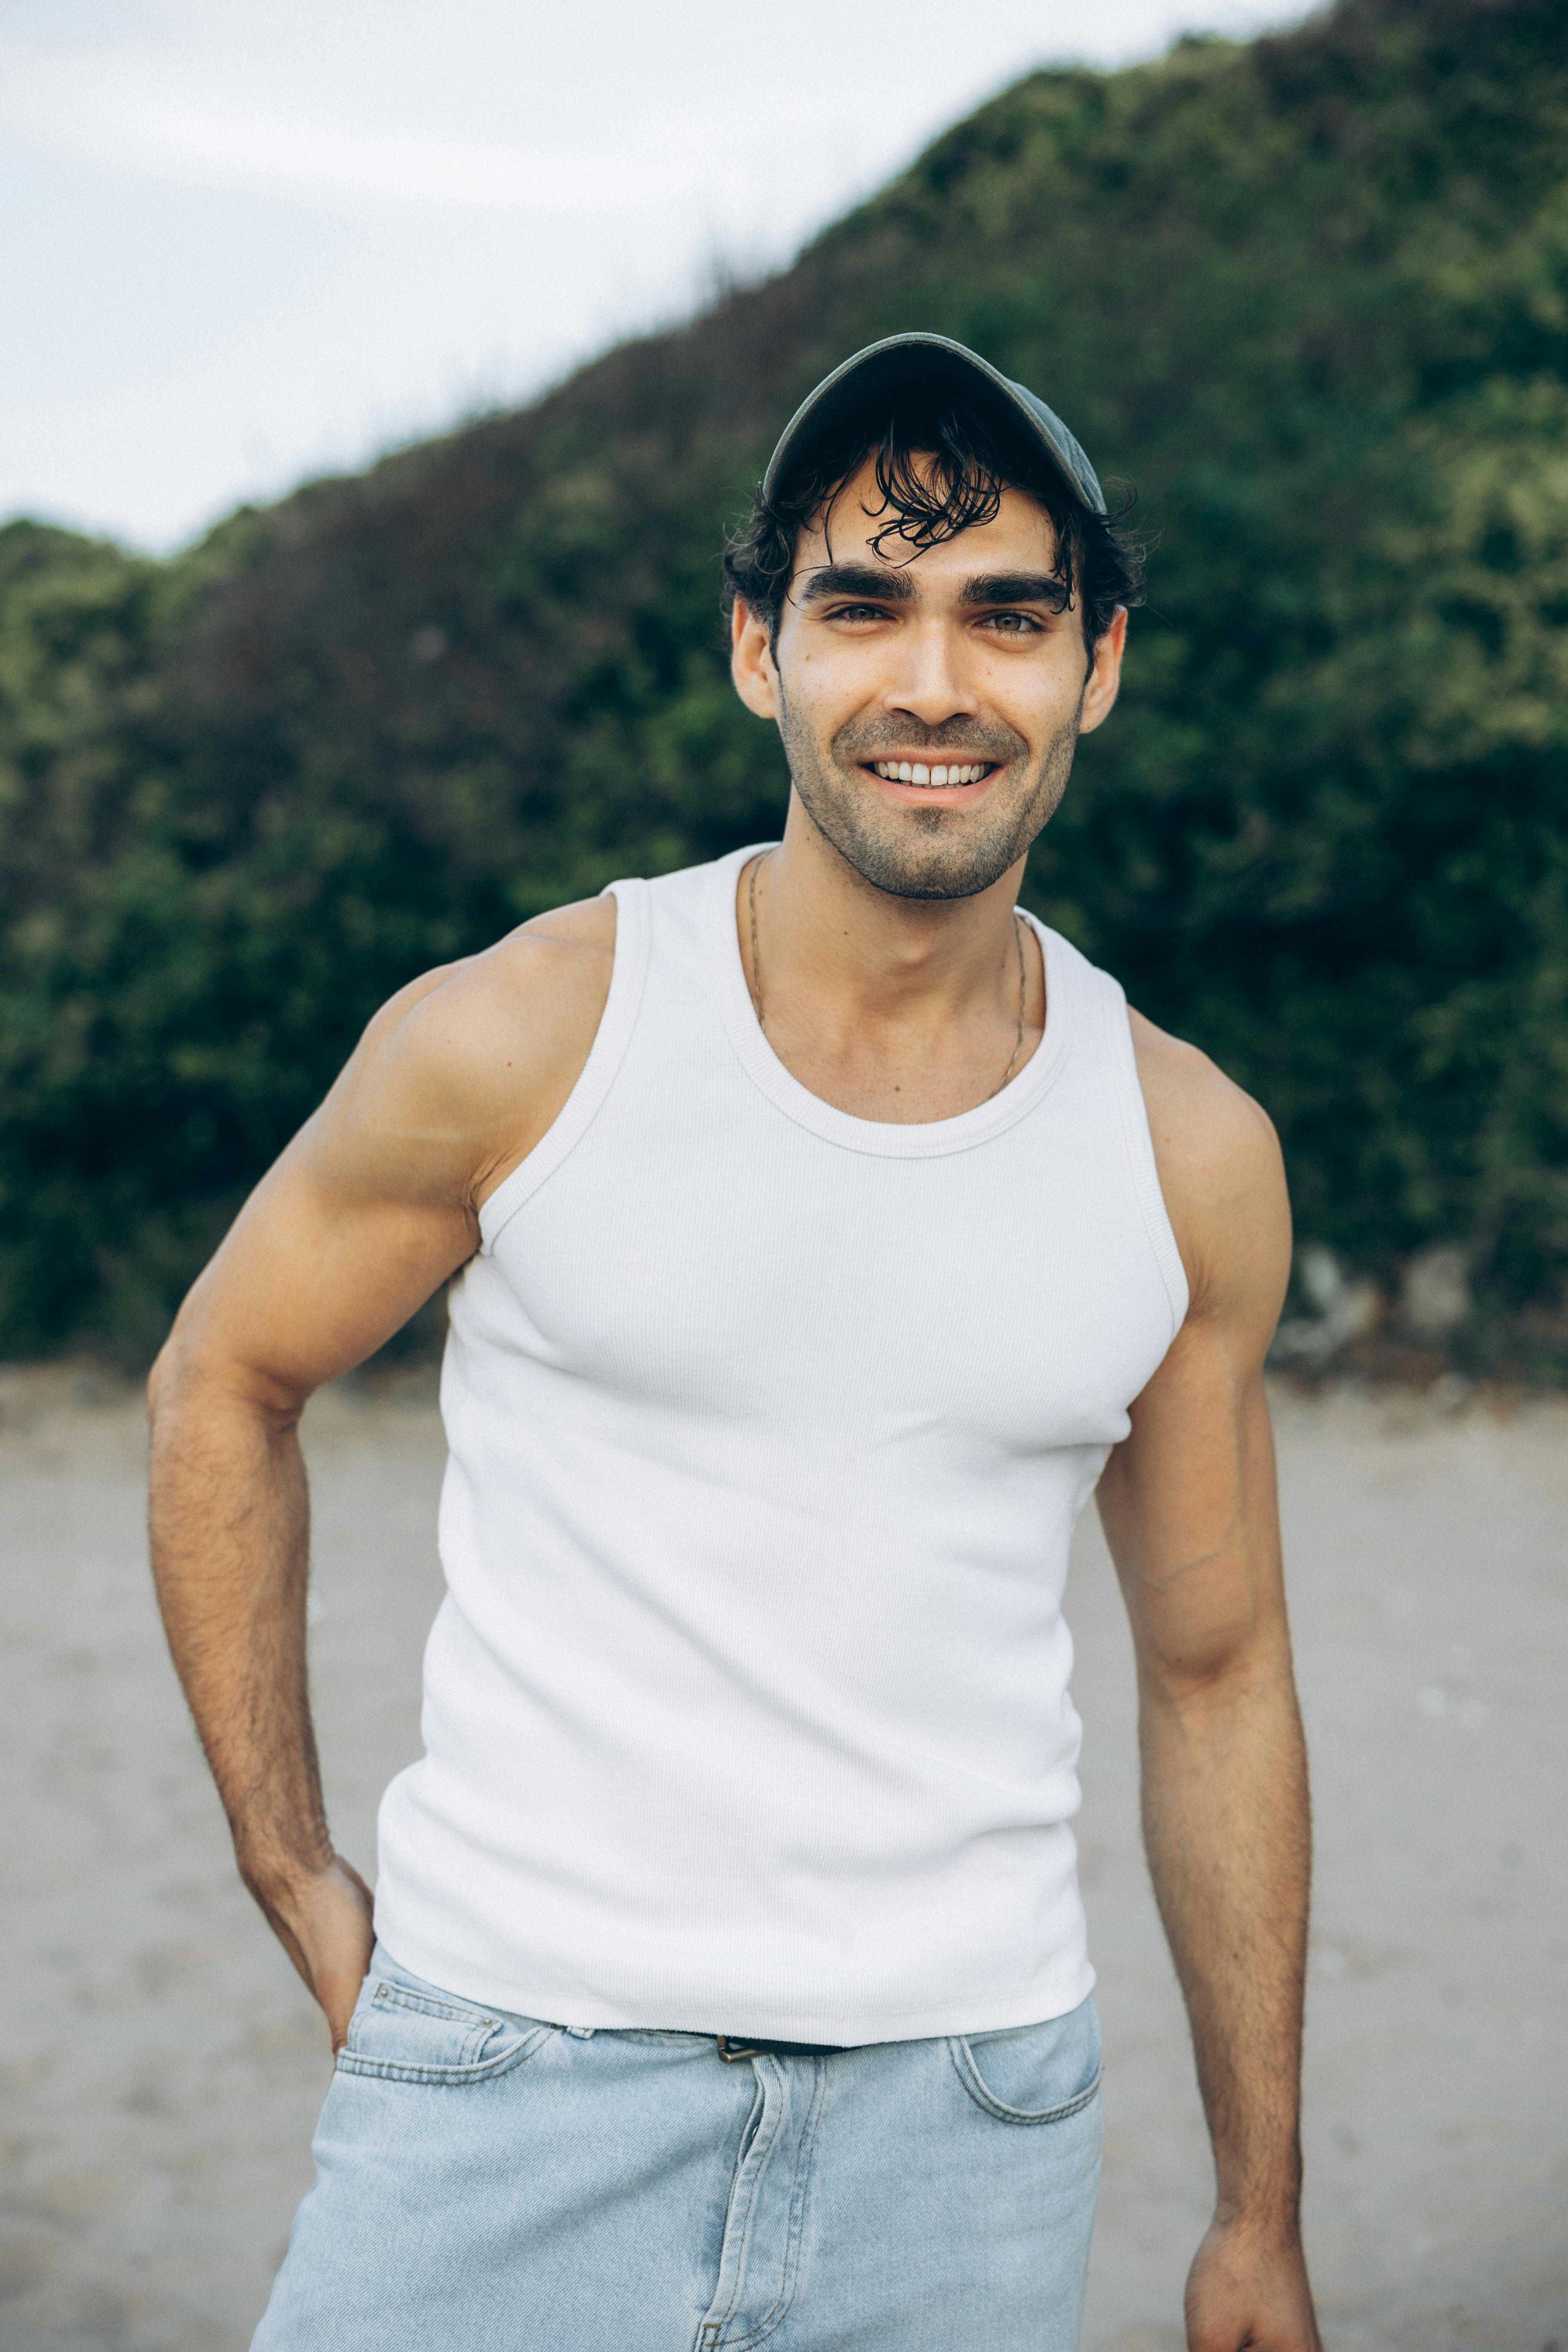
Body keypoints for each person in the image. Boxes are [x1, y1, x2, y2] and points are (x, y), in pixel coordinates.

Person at [148, 332, 1321, 2352]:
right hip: (508, 2077)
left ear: (1098, 667)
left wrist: (1257, 2212)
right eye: (861, 606)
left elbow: (1216, 1677)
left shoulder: (1188, 1150)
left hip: (971, 2126)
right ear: (759, 652)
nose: (935, 684)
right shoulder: (524, 1034)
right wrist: (292, 1863)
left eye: (1007, 618)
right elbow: (226, 1382)